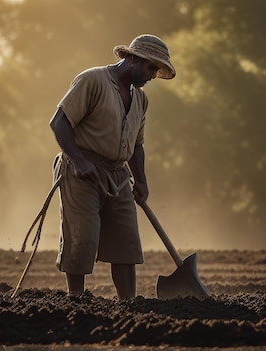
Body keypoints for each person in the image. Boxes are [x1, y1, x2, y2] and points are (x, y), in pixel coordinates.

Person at [49, 34, 176, 299]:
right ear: (131, 58)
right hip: (81, 171)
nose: (153, 75)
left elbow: (137, 145)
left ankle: (128, 305)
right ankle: (76, 301)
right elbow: (59, 123)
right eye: (151, 67)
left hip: (119, 175)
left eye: (156, 69)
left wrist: (141, 181)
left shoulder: (140, 99)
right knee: (82, 239)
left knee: (126, 243)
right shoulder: (92, 80)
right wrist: (80, 161)